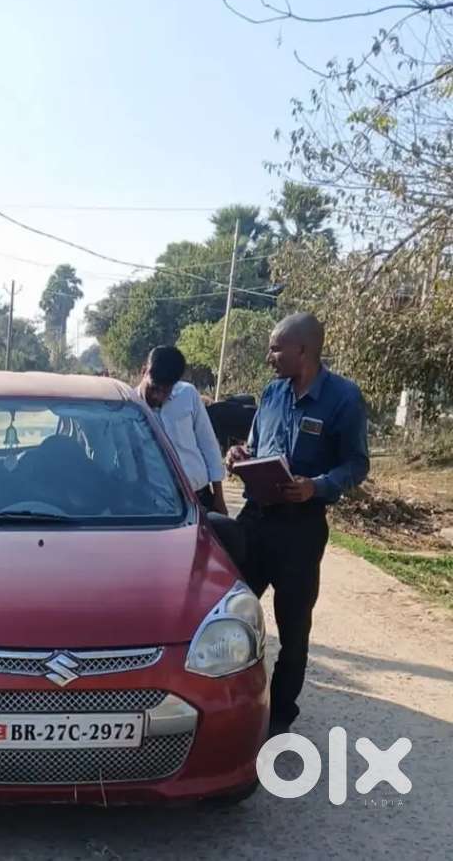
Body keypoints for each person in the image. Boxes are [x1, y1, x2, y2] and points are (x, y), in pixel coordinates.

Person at [227, 313, 369, 737]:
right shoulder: (271, 394)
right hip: (254, 521)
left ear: (302, 350)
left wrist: (318, 486)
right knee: (225, 614)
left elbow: (357, 464)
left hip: (300, 530)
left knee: (293, 627)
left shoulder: (343, 398)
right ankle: (226, 708)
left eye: (275, 348)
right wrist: (239, 455)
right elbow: (255, 446)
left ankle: (279, 718)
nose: (269, 356)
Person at [137, 346, 228, 515]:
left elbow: (208, 444)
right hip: (158, 506)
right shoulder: (131, 409)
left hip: (200, 497)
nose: (157, 396)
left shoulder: (188, 394)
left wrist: (219, 498)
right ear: (144, 371)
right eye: (154, 388)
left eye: (165, 391)